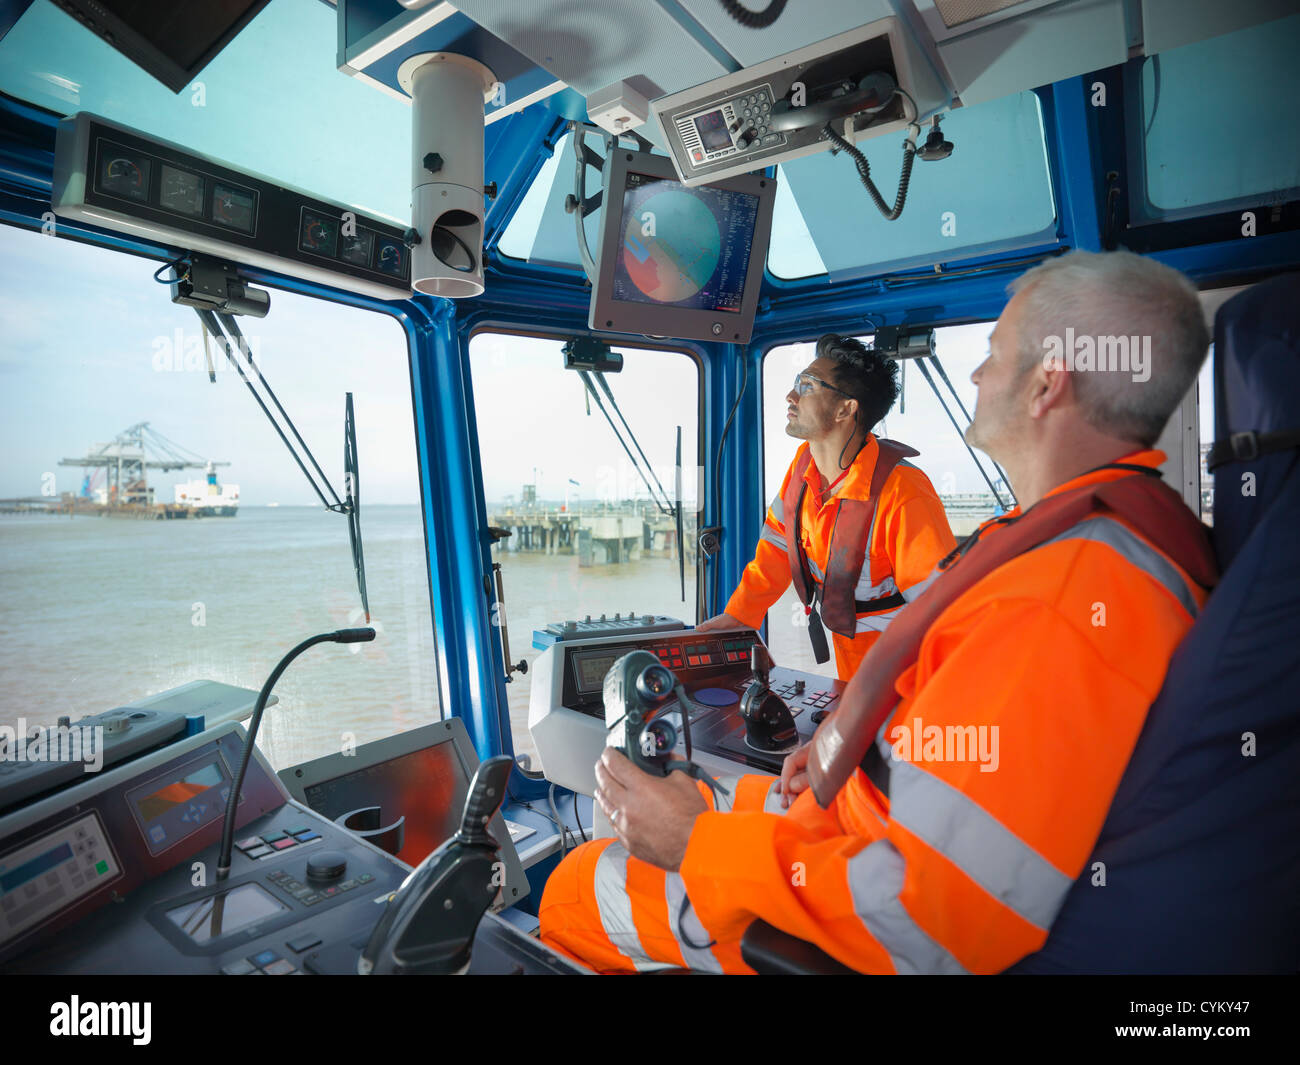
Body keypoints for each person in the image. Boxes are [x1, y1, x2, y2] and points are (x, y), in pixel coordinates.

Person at [539, 250, 1217, 974]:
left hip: (847, 885)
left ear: (1049, 384)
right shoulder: (1080, 543)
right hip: (859, 801)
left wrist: (697, 844)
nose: (978, 374)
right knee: (709, 787)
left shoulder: (1060, 597)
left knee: (576, 888)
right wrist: (838, 750)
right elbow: (942, 750)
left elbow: (920, 916)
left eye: (994, 354)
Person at [696, 334, 956, 681]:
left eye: (808, 386)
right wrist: (740, 617)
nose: (791, 396)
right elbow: (776, 546)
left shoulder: (904, 491)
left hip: (908, 676)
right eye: (796, 383)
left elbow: (943, 611)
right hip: (852, 671)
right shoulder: (804, 468)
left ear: (846, 408)